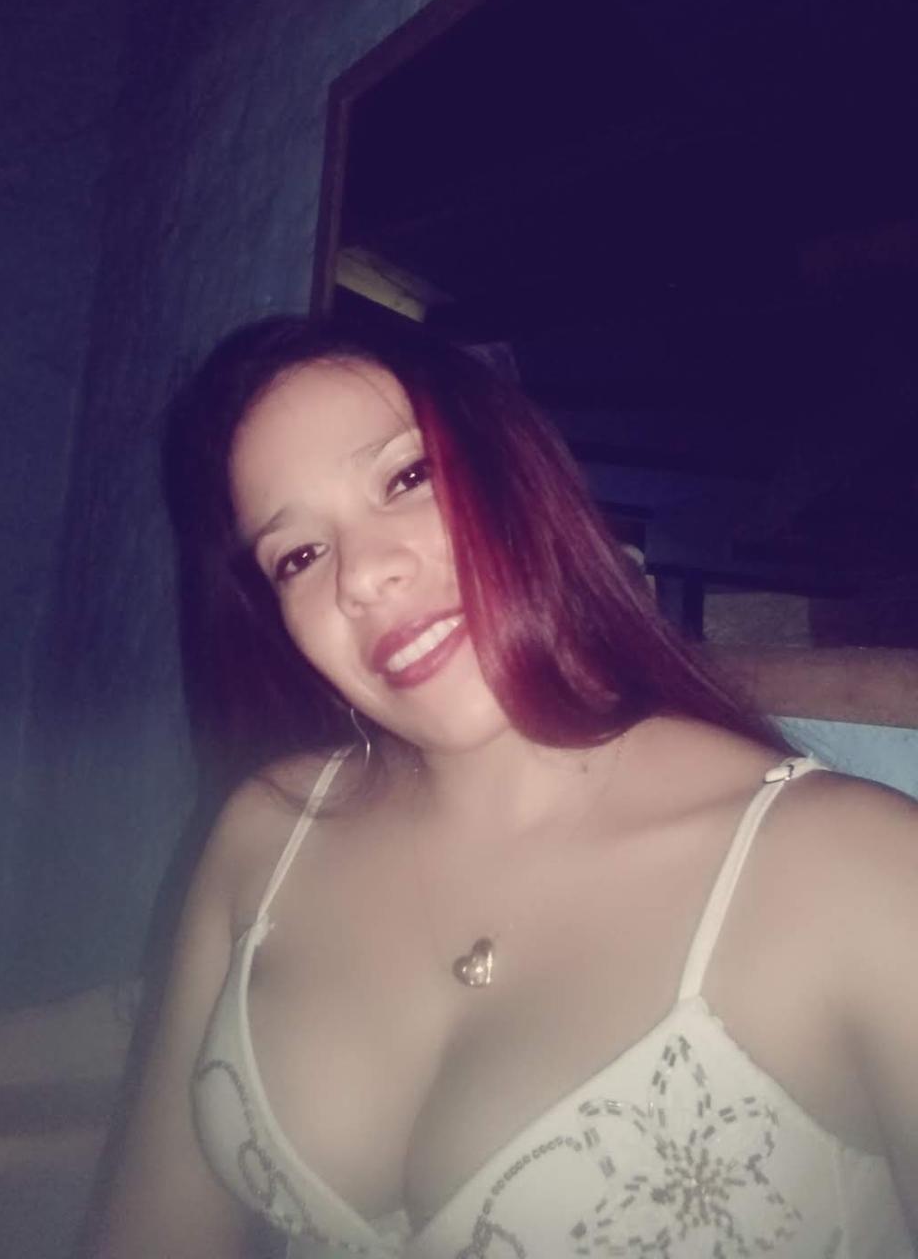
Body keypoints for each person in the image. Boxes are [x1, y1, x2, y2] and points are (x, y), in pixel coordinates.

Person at [90, 315, 917, 1258]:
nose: (362, 576)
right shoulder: (262, 837)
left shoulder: (858, 868)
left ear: (519, 476)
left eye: (406, 478)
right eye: (299, 556)